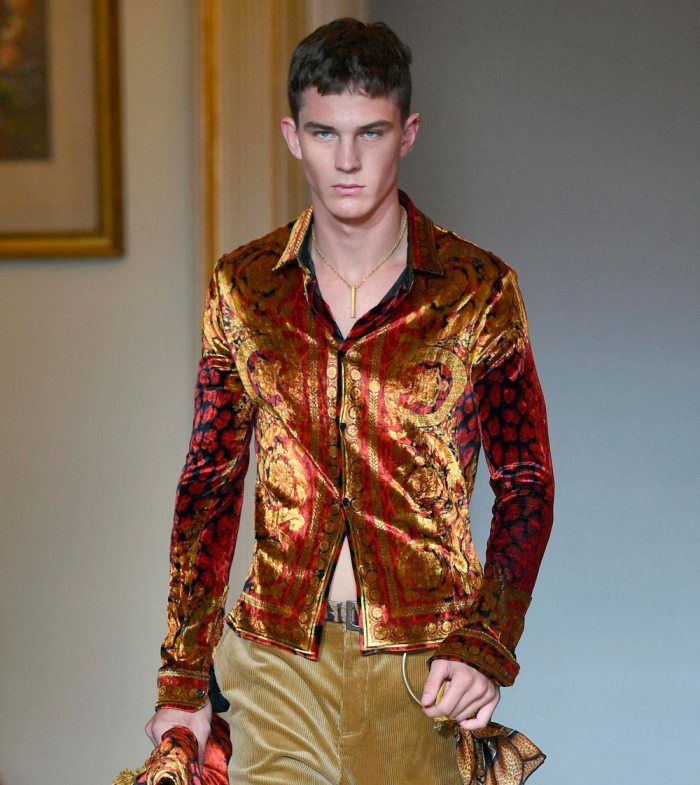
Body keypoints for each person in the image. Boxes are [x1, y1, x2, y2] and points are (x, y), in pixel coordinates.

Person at [146, 17, 554, 785]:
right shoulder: (246, 287)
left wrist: (487, 642)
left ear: (407, 134)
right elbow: (209, 482)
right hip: (276, 663)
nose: (347, 159)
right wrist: (182, 677)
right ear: (292, 137)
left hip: (423, 666)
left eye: (370, 132)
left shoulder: (475, 290)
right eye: (324, 133)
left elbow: (526, 480)